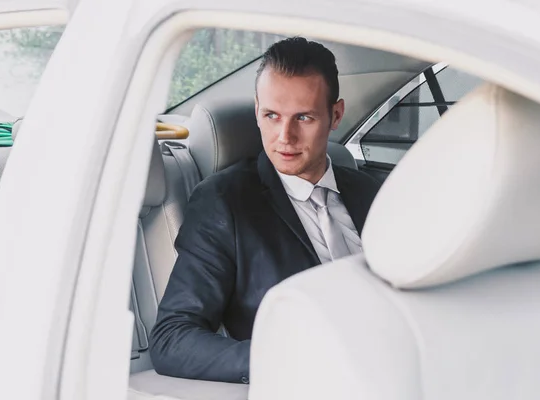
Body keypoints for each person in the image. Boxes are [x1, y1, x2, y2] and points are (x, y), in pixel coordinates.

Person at [149, 37, 382, 384]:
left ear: (335, 115)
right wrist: (284, 361)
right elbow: (172, 338)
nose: (284, 136)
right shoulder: (224, 202)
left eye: (303, 117)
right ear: (257, 109)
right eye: (271, 115)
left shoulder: (372, 192)